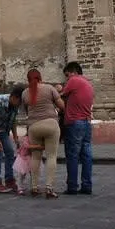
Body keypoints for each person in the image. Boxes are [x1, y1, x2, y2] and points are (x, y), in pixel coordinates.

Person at [22, 68, 65, 198]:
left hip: (34, 127)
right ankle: (49, 188)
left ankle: (34, 187)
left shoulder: (25, 93)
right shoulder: (49, 88)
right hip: (51, 124)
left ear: (28, 80)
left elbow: (27, 111)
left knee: (36, 157)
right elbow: (62, 105)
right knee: (51, 156)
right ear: (41, 78)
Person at [61, 61, 95, 196]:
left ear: (73, 72)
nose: (67, 79)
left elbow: (61, 95)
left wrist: (58, 88)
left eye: (67, 75)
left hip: (74, 122)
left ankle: (72, 186)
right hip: (86, 122)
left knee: (72, 155)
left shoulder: (74, 80)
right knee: (86, 155)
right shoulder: (88, 83)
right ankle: (87, 185)